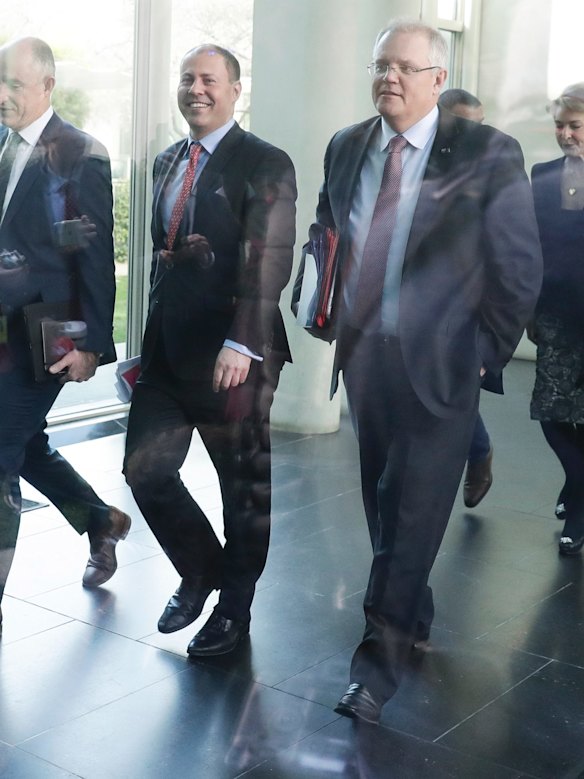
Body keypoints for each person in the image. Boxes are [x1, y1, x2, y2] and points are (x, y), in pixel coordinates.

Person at [304, 19, 542, 723]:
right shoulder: (348, 145)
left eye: (407, 68)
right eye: (382, 66)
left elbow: (519, 265)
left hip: (443, 365)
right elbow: (330, 223)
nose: (391, 78)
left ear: (437, 80)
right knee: (384, 499)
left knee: (410, 512)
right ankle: (416, 609)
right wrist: (321, 293)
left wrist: (482, 353)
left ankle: (376, 669)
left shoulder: (487, 152)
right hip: (366, 357)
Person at [123, 44, 296, 657]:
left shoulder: (265, 162)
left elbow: (271, 258)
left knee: (242, 488)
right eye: (187, 78)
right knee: (143, 470)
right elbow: (169, 256)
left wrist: (241, 340)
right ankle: (201, 571)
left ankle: (235, 610)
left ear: (234, 89)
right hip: (168, 355)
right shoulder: (170, 160)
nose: (196, 89)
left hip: (234, 358)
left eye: (209, 80)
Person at [0, 37, 131, 628]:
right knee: (22, 445)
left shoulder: (81, 154)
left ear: (47, 86)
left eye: (15, 86)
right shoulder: (2, 146)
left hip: (45, 336)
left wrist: (90, 345)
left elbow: (93, 260)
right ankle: (99, 520)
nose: (2, 96)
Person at [530, 83, 584, 554]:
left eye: (575, 126)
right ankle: (578, 483)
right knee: (551, 412)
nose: (566, 134)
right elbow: (532, 247)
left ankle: (578, 501)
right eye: (561, 125)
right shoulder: (542, 173)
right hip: (555, 311)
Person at [438, 88, 493, 508]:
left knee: (456, 393)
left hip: (467, 309)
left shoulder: (493, 172)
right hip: (411, 306)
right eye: (462, 124)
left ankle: (478, 453)